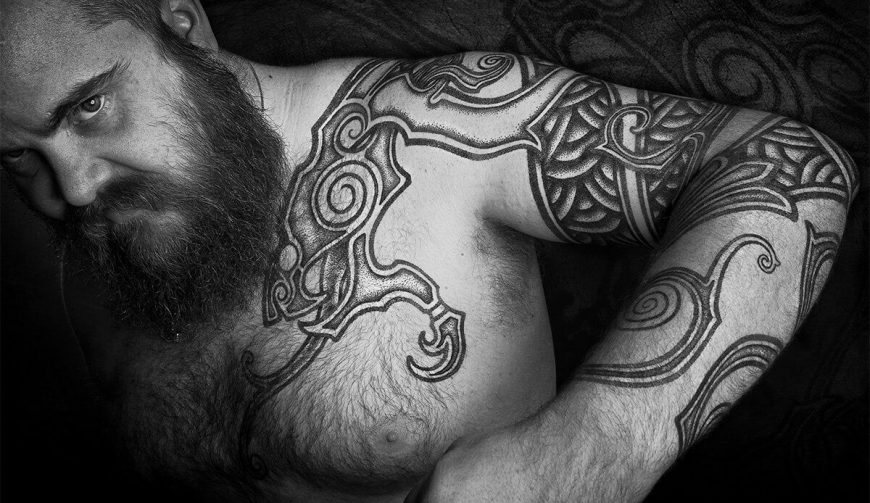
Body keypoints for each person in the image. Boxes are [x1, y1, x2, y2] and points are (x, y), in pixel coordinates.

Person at [0, 0, 858, 501]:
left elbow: (787, 165)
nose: (73, 187)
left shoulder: (439, 127)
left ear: (185, 28)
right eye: (18, 157)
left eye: (89, 108)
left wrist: (598, 444)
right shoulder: (99, 258)